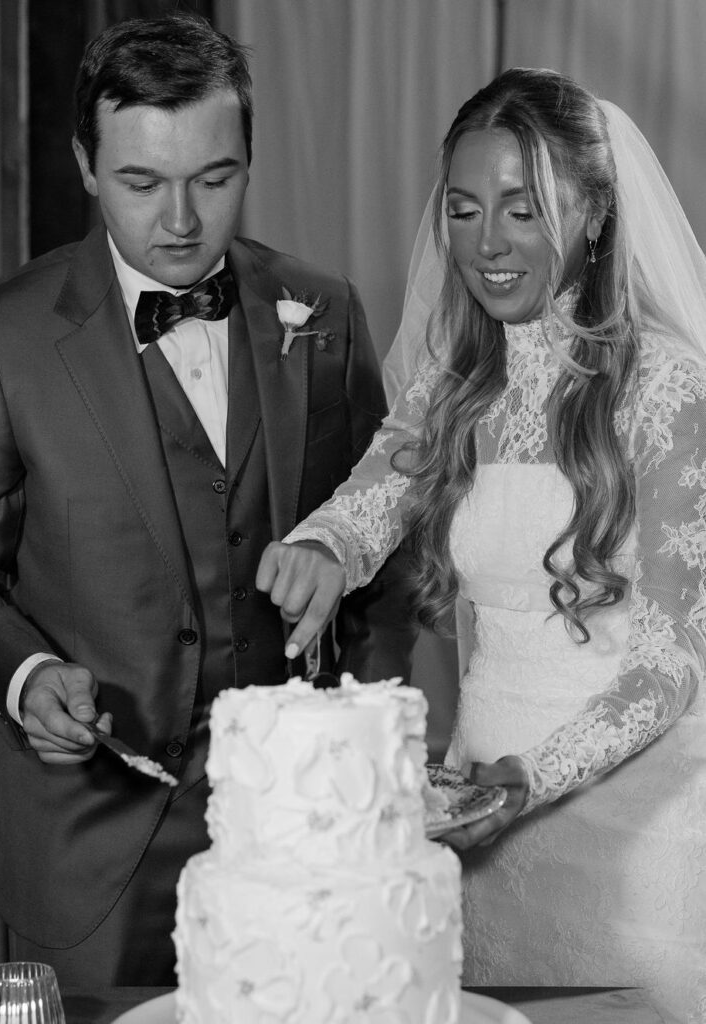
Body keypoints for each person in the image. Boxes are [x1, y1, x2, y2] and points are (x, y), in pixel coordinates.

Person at [0, 12, 416, 986]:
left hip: (296, 824)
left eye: (212, 178)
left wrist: (364, 747)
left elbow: (380, 537)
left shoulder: (323, 309)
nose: (180, 219)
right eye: (143, 182)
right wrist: (24, 678)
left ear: (246, 158)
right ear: (86, 165)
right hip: (88, 839)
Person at [257, 68, 706, 1023]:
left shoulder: (669, 390)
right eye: (463, 210)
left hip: (636, 828)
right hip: (478, 819)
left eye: (522, 208)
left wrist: (530, 778)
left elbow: (673, 658)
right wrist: (323, 549)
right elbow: (368, 500)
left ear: (593, 211)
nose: (487, 243)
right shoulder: (451, 386)